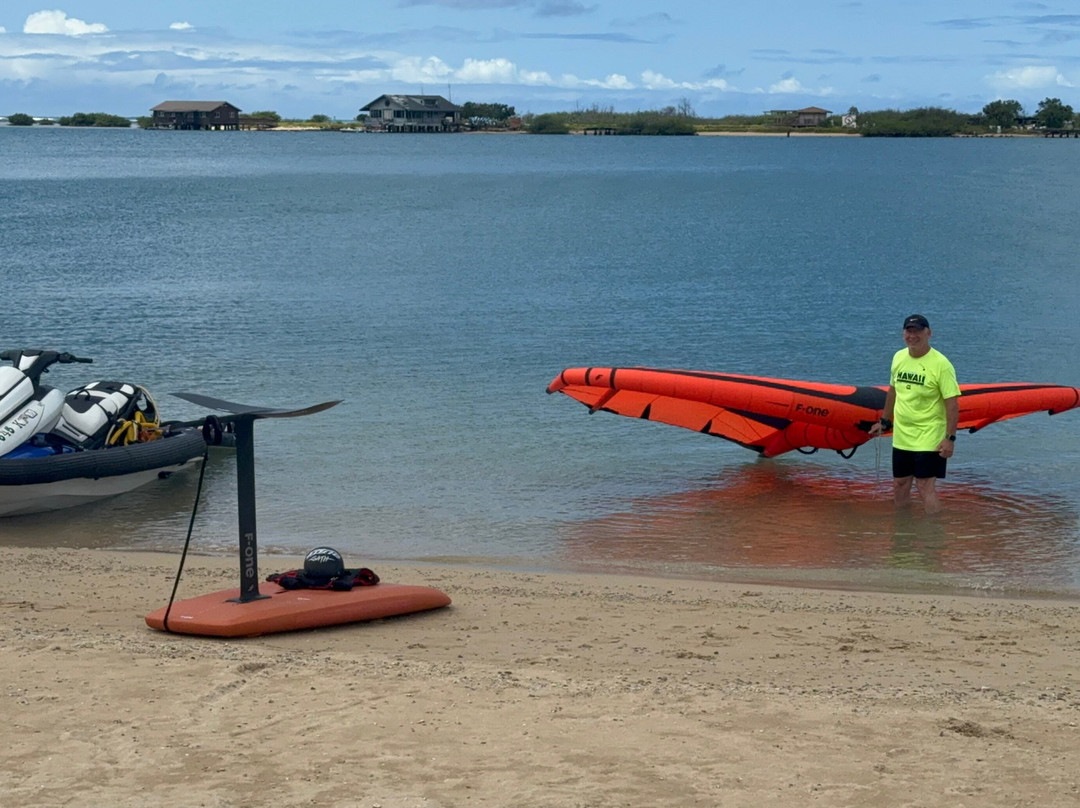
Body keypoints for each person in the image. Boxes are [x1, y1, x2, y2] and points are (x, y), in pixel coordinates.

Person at [868, 314, 960, 514]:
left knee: (925, 485)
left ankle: (933, 536)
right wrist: (884, 420)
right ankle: (903, 532)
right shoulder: (898, 357)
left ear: (929, 333)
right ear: (903, 334)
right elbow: (893, 391)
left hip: (929, 435)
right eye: (909, 331)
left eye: (918, 331)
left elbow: (952, 404)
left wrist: (950, 438)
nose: (913, 336)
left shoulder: (941, 364)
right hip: (902, 435)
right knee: (900, 483)